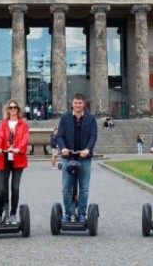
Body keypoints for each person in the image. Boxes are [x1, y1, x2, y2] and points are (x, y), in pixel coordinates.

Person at [56, 93, 98, 223]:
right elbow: (60, 136)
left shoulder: (90, 119)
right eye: (75, 103)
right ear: (72, 104)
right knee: (66, 187)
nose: (78, 105)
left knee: (84, 187)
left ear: (84, 104)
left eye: (80, 103)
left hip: (84, 157)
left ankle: (81, 213)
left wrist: (87, 149)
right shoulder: (65, 118)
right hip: (68, 156)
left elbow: (93, 136)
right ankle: (68, 212)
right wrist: (62, 148)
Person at [0, 99, 29, 225]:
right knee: (2, 189)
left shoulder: (23, 124)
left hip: (18, 159)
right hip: (4, 158)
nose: (13, 110)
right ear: (7, 110)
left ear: (18, 110)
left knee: (15, 188)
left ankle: (12, 214)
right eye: (10, 108)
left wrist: (20, 148)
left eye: (15, 108)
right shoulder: (3, 124)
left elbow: (25, 138)